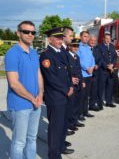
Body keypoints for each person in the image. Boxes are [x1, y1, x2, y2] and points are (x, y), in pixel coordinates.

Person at [5, 21, 43, 159]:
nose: (30, 34)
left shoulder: (33, 53)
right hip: (20, 105)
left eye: (33, 32)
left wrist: (40, 95)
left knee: (32, 138)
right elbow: (14, 83)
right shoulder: (12, 54)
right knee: (19, 142)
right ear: (18, 33)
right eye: (26, 31)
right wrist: (32, 99)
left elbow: (39, 75)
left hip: (36, 103)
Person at [40, 27, 74, 158]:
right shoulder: (46, 55)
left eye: (61, 38)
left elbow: (68, 71)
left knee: (64, 124)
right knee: (55, 128)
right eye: (57, 38)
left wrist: (70, 86)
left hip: (65, 95)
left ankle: (61, 147)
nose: (60, 40)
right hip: (55, 97)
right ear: (50, 39)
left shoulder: (62, 52)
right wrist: (66, 89)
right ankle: (54, 155)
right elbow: (51, 77)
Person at [66, 38, 85, 130]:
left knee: (77, 103)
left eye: (77, 46)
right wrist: (70, 79)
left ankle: (75, 120)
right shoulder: (66, 56)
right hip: (71, 84)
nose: (75, 48)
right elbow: (65, 72)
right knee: (71, 104)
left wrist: (83, 81)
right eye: (74, 46)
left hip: (78, 84)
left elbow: (79, 71)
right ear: (69, 46)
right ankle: (70, 123)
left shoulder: (77, 57)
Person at [77, 31, 95, 118]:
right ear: (81, 37)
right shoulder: (78, 47)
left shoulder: (88, 48)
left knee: (87, 95)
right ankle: (79, 113)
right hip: (83, 75)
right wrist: (86, 68)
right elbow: (78, 60)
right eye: (85, 36)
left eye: (87, 37)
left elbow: (92, 58)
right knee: (81, 95)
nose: (86, 38)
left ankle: (85, 111)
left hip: (89, 75)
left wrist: (92, 67)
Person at [98, 32, 118, 107]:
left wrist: (112, 64)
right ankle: (100, 102)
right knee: (101, 87)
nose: (108, 40)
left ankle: (108, 102)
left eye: (109, 39)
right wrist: (106, 66)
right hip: (103, 70)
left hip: (111, 70)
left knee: (110, 86)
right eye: (106, 39)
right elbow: (99, 58)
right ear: (103, 39)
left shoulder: (112, 47)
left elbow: (115, 57)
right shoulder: (99, 47)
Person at [88, 36, 103, 111]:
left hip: (95, 73)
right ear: (88, 40)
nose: (93, 42)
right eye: (91, 40)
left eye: (94, 40)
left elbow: (100, 59)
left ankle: (92, 105)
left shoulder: (97, 49)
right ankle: (83, 109)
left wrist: (97, 65)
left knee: (94, 90)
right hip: (86, 73)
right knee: (85, 91)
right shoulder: (85, 48)